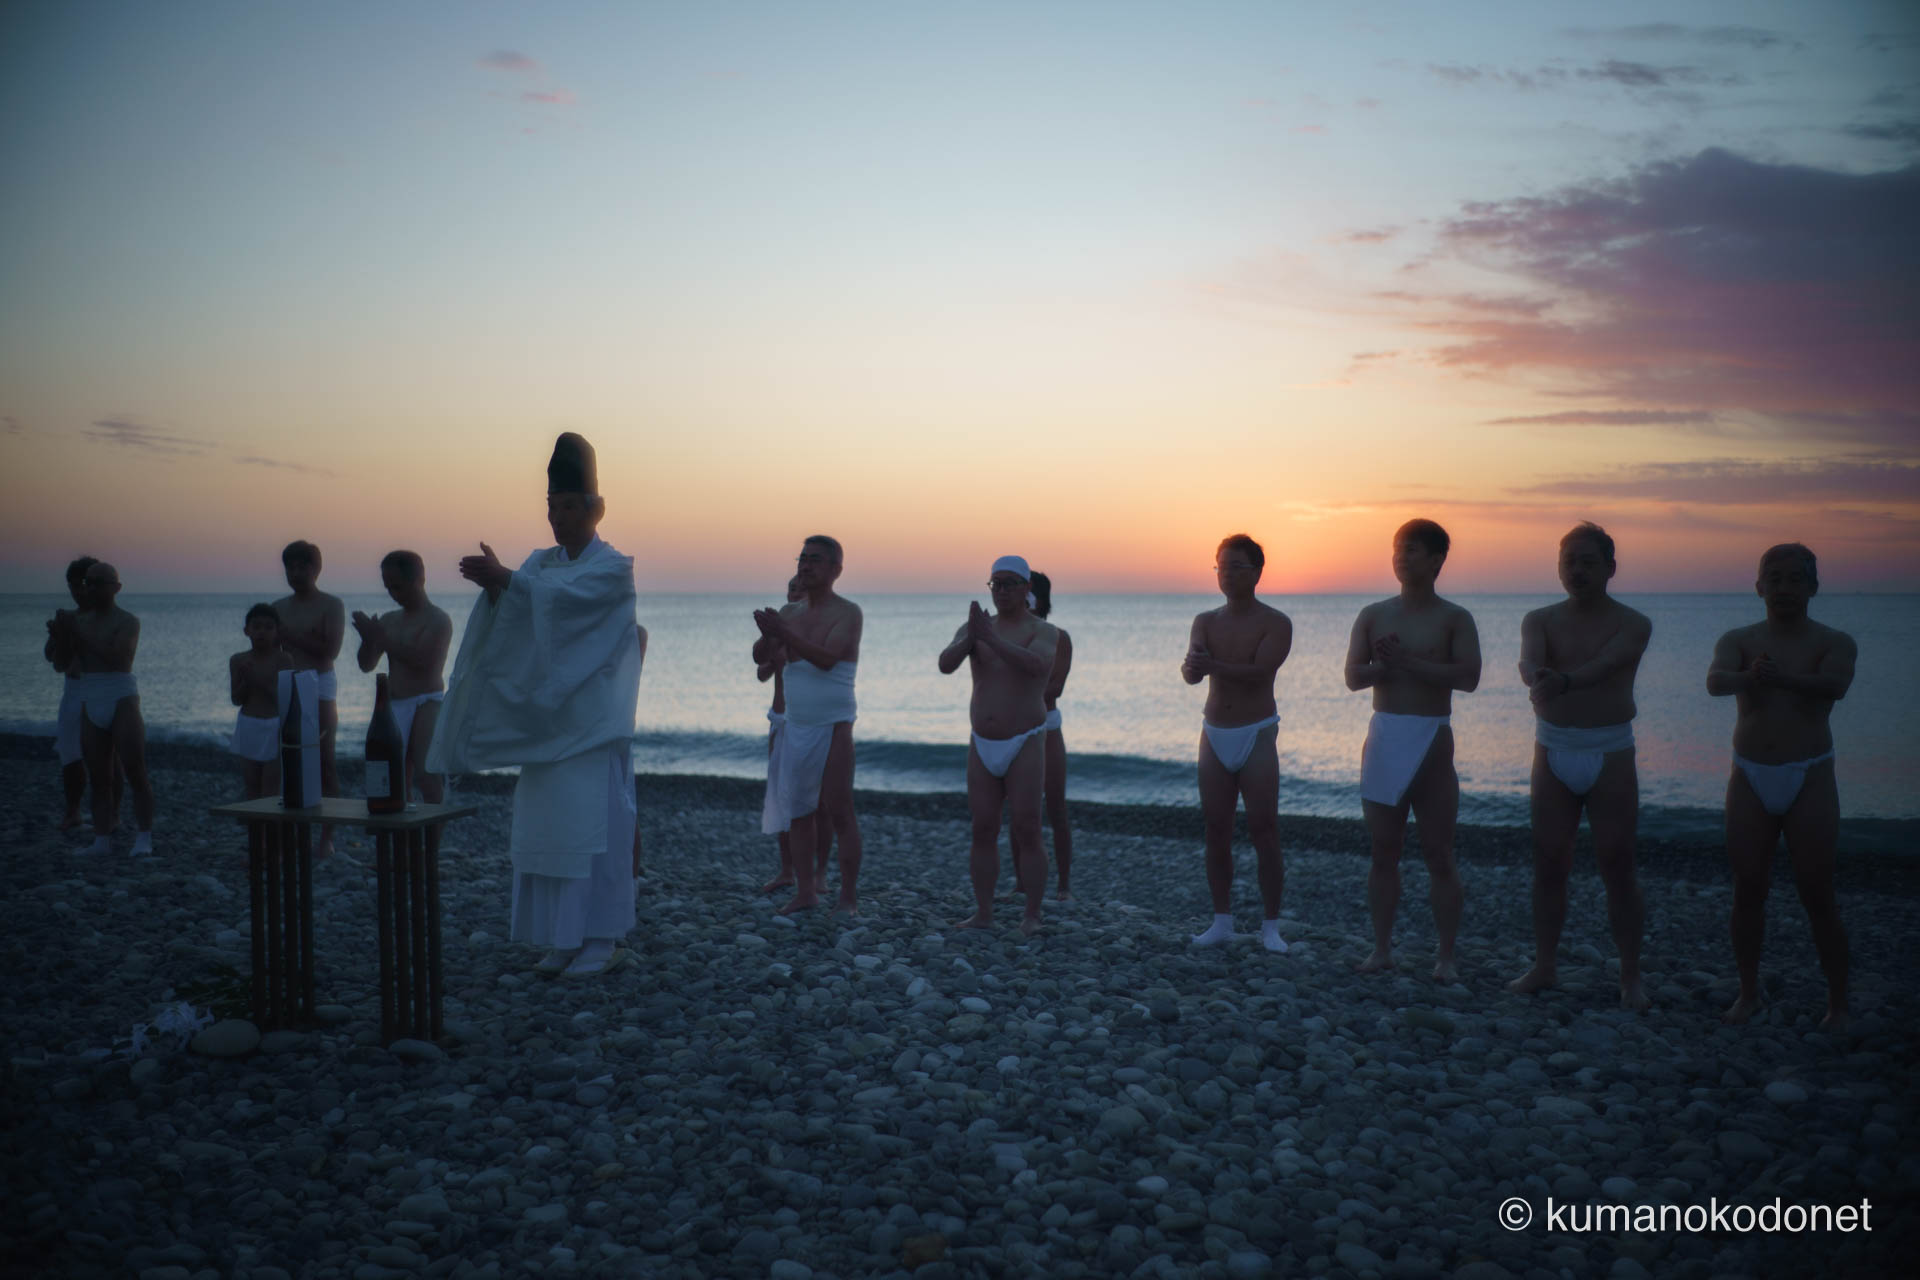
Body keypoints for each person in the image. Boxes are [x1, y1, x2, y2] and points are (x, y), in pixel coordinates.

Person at [427, 433, 643, 978]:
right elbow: (520, 624)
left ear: (597, 509)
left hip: (591, 724)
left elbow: (575, 609)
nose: (559, 518)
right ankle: (560, 936)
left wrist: (511, 584)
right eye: (552, 507)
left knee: (593, 830)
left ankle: (602, 937)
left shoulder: (612, 568)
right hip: (548, 726)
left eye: (570, 506)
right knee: (549, 830)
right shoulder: (539, 565)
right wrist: (502, 589)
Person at [1708, 543, 1855, 1030]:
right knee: (1748, 888)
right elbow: (1715, 681)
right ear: (1759, 587)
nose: (1785, 588)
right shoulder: (1741, 639)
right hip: (1750, 773)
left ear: (1813, 587)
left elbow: (1835, 686)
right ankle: (1748, 993)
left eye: (1797, 579)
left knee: (1818, 891)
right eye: (1776, 578)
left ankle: (1838, 1004)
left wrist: (1783, 678)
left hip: (1809, 771)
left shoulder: (1833, 641)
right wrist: (1749, 676)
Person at [1508, 523, 1652, 1009]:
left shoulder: (1633, 623)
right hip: (1554, 747)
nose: (1577, 570)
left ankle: (1630, 975)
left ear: (1610, 568)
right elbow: (1528, 661)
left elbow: (1609, 664)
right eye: (1569, 560)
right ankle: (1544, 965)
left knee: (1617, 862)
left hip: (1609, 748)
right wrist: (1538, 676)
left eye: (1588, 561)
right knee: (1549, 862)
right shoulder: (1540, 618)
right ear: (1558, 566)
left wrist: (1564, 681)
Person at [1344, 519, 1480, 980]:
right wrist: (1384, 665)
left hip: (1432, 738)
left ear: (1438, 560)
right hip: (1384, 736)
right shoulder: (1374, 614)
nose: (1402, 557)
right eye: (1398, 548)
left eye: (1413, 550)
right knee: (1384, 850)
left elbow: (1469, 678)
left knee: (1439, 853)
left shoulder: (1454, 618)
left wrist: (1409, 662)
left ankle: (1446, 956)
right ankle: (1381, 948)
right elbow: (1353, 678)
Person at [1182, 534, 1293, 952]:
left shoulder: (1276, 622)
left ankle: (1270, 926)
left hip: (1256, 730)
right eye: (1221, 567)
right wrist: (1193, 668)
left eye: (1236, 567)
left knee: (1265, 829)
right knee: (1216, 830)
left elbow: (1261, 671)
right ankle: (1222, 921)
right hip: (1214, 731)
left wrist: (1211, 665)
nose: (1226, 574)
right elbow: (1194, 673)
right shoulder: (1205, 621)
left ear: (1257, 572)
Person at [939, 555, 1059, 936]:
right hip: (982, 741)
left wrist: (990, 639)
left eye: (1009, 583)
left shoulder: (1043, 630)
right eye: (996, 584)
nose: (1002, 591)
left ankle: (1032, 913)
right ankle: (985, 912)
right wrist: (973, 639)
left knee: (1027, 827)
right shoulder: (976, 628)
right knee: (983, 828)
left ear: (1026, 589)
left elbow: (1038, 666)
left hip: (1024, 739)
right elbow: (945, 664)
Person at [754, 537, 864, 916]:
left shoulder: (848, 613)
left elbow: (828, 659)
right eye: (802, 558)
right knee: (799, 811)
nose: (806, 565)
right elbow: (760, 656)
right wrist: (769, 631)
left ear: (835, 569)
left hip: (834, 723)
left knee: (839, 809)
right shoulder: (789, 612)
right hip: (796, 724)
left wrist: (782, 632)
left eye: (815, 560)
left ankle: (847, 896)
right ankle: (805, 892)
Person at [49, 562, 157, 855]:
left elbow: (120, 659)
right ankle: (101, 839)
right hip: (90, 692)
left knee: (135, 770)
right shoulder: (78, 621)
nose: (92, 588)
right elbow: (60, 663)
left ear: (116, 588)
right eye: (89, 582)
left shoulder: (127, 621)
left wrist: (77, 634)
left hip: (120, 694)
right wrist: (60, 636)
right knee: (99, 777)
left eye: (99, 582)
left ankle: (144, 837)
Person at [352, 550, 453, 804]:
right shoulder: (390, 620)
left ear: (418, 580)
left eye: (397, 586)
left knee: (426, 773)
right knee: (396, 778)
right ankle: (403, 840)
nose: (392, 594)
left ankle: (431, 843)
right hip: (395, 702)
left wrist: (381, 638)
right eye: (388, 588)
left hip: (426, 701)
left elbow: (424, 662)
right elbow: (366, 664)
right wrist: (367, 640)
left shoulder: (438, 620)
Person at [274, 541, 345, 856]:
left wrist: (290, 637)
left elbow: (330, 650)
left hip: (320, 684)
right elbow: (272, 651)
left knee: (324, 759)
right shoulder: (278, 608)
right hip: (289, 682)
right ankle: (295, 832)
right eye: (291, 567)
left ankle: (327, 836)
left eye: (303, 566)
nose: (296, 572)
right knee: (290, 759)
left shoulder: (331, 604)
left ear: (316, 569)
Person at [754, 575, 820, 894]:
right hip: (780, 718)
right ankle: (786, 871)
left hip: (809, 720)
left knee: (810, 799)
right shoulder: (778, 630)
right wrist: (769, 639)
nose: (795, 592)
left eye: (801, 588)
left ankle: (816, 874)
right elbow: (760, 668)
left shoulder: (818, 627)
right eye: (791, 588)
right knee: (780, 796)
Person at [45, 555, 119, 831]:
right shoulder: (67, 617)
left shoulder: (111, 619)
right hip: (73, 690)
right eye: (73, 586)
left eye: (84, 585)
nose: (79, 592)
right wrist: (58, 636)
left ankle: (113, 814)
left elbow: (117, 659)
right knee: (69, 753)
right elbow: (53, 659)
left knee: (109, 757)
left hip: (103, 690)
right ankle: (73, 810)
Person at [1030, 570, 1074, 902]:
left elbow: (1054, 688)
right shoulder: (1005, 634)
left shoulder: (1059, 637)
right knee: (1020, 811)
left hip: (1046, 726)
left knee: (1056, 808)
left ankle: (1063, 886)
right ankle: (1021, 884)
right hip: (1011, 726)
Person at [229, 603, 294, 800]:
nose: (262, 632)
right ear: (246, 631)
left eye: (268, 627)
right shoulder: (238, 660)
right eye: (256, 627)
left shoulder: (283, 660)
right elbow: (236, 699)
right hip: (249, 724)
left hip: (274, 727)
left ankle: (272, 830)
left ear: (277, 631)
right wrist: (246, 681)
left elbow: (283, 700)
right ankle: (255, 831)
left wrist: (257, 679)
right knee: (252, 789)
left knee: (270, 790)